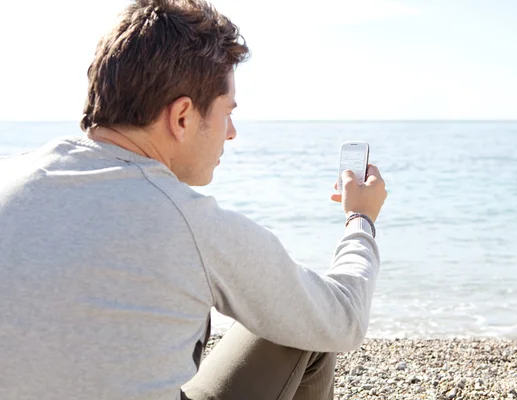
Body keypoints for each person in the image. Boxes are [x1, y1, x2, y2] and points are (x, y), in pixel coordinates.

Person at [0, 0, 387, 399]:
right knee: (308, 325)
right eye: (226, 112)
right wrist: (361, 219)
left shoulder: (8, 177)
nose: (231, 132)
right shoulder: (190, 224)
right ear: (182, 116)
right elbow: (342, 319)